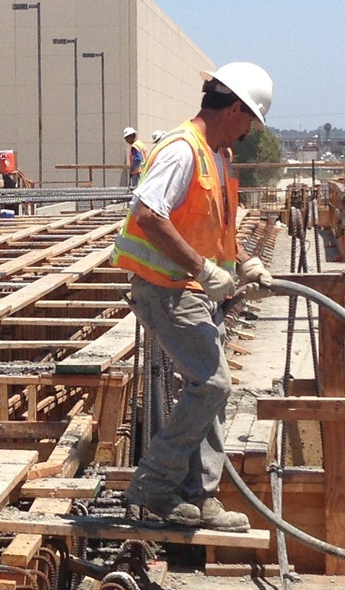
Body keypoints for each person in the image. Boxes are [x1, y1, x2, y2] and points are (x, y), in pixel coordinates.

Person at [112, 63, 277, 531]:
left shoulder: (217, 154)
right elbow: (147, 214)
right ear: (236, 109)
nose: (249, 131)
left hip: (193, 291)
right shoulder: (183, 150)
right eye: (250, 120)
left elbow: (214, 226)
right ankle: (153, 487)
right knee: (212, 385)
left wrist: (242, 260)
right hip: (166, 289)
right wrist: (202, 270)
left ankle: (199, 496)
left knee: (213, 392)